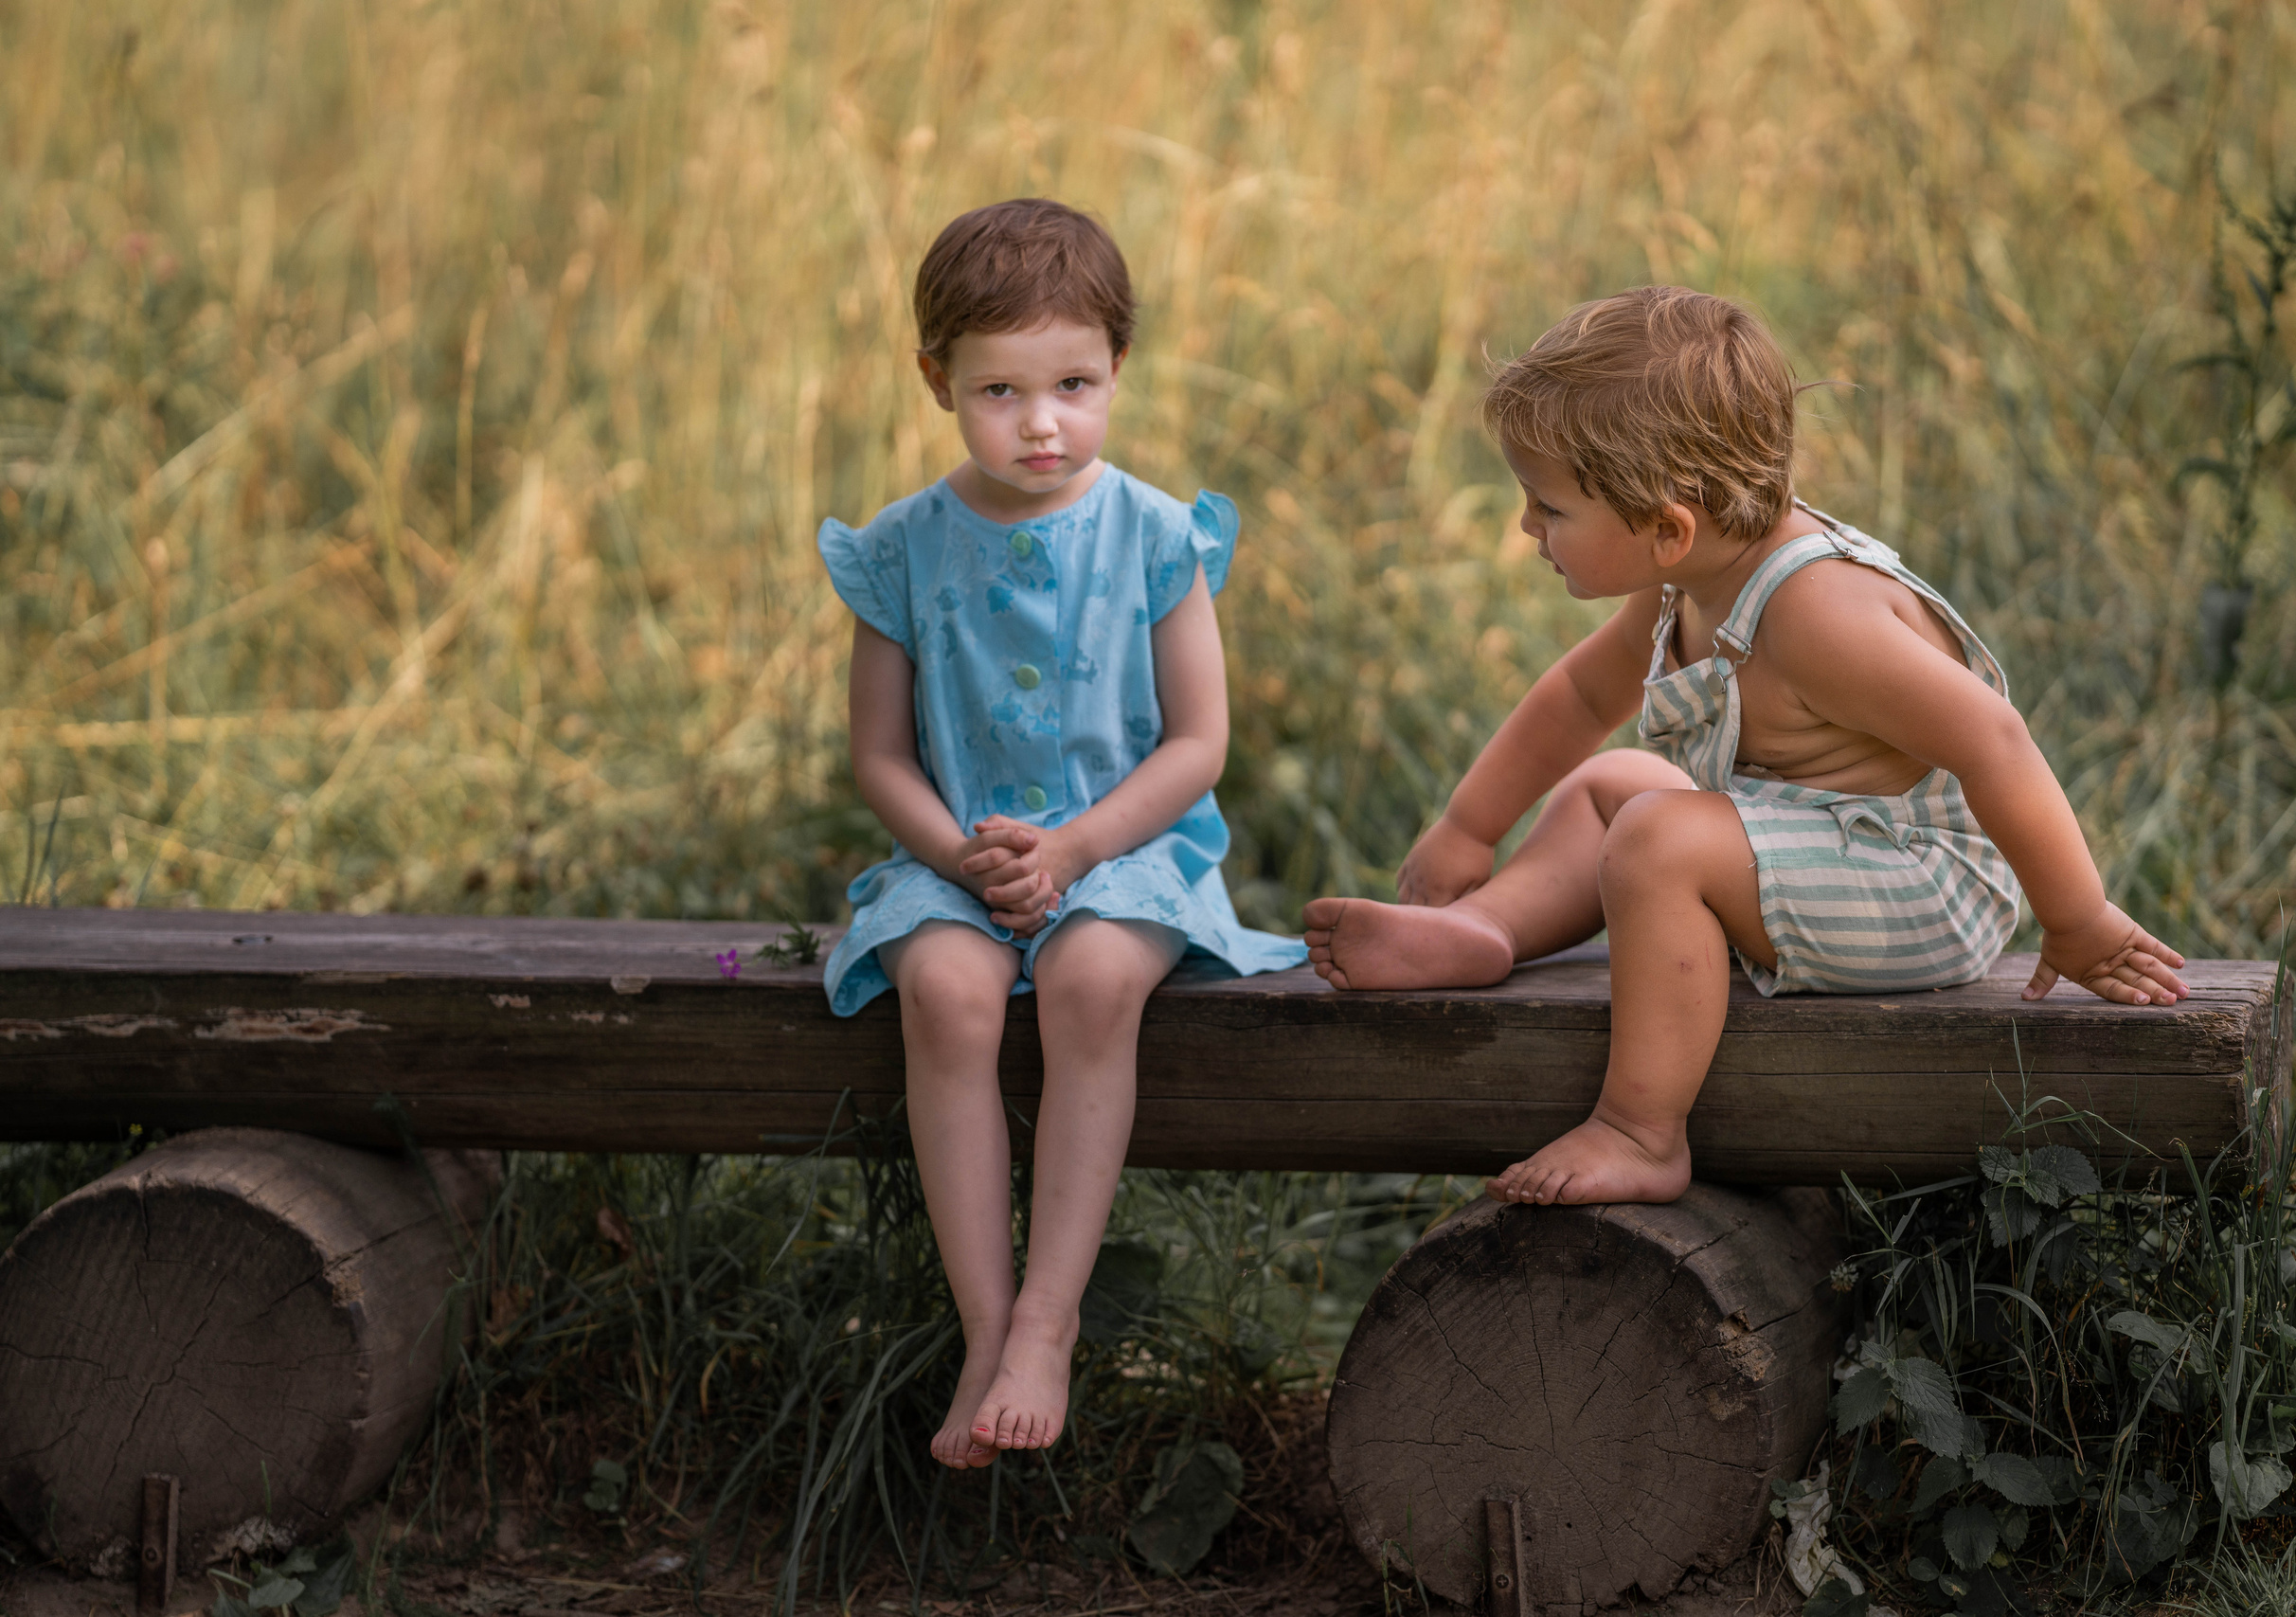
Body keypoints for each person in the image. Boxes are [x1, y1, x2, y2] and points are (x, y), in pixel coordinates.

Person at [1300, 287, 2186, 1208]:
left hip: (1920, 885)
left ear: (1667, 527)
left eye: (1547, 506)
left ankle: (1641, 1130)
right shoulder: (1687, 575)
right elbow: (1581, 697)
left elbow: (1995, 741)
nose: (1529, 527)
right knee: (1615, 783)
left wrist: (2076, 920)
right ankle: (1488, 927)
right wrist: (1467, 827)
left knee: (1655, 834)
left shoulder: (1816, 614)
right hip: (1809, 839)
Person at [817, 199, 1304, 1468]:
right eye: (1001, 391)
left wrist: (1079, 850)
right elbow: (881, 754)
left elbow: (1197, 742)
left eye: (1074, 385)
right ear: (938, 380)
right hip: (955, 858)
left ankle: (1050, 1315)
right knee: (945, 990)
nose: (1042, 422)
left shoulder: (1156, 535)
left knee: (1090, 979)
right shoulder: (901, 550)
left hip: (1126, 852)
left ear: (1118, 367)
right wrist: (954, 856)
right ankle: (986, 1327)